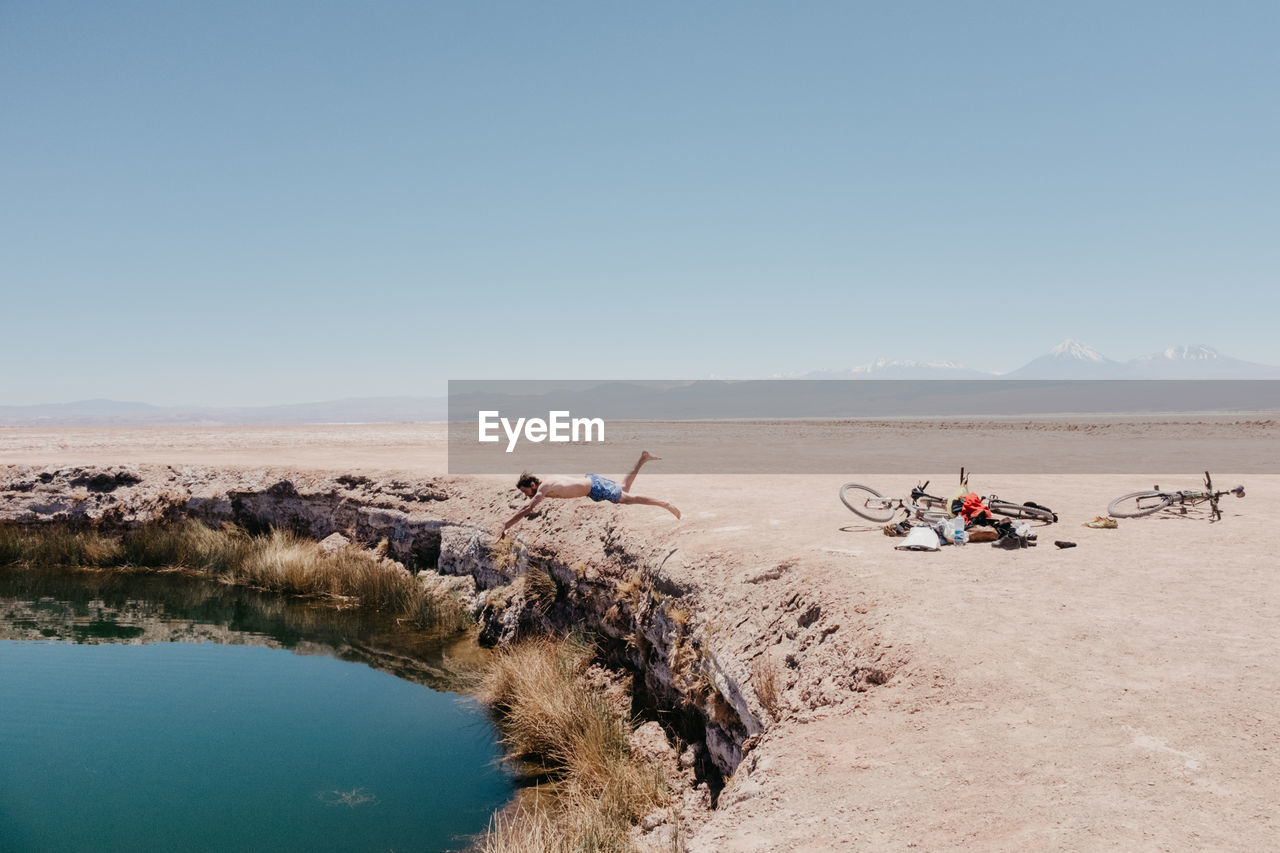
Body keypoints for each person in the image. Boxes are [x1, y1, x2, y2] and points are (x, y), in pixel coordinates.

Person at [499, 451, 680, 536]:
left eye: (526, 491)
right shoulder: (548, 481)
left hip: (594, 486)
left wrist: (505, 526)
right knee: (624, 488)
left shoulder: (541, 490)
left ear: (532, 484)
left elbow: (526, 510)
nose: (527, 495)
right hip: (591, 482)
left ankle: (665, 503)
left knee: (627, 499)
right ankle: (643, 458)